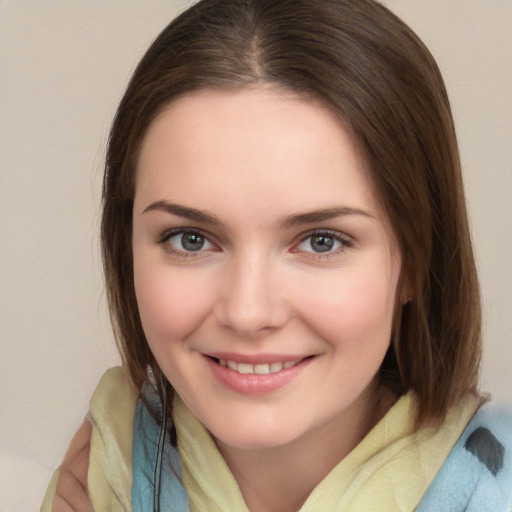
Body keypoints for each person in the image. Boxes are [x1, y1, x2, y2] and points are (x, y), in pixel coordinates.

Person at [41, 0, 512, 511]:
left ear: (418, 260)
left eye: (321, 241)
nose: (248, 312)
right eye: (191, 239)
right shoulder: (106, 466)